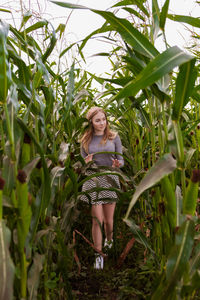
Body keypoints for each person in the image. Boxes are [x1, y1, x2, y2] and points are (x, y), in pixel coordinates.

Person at [80, 106, 124, 269]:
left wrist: (118, 164)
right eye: (97, 120)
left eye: (103, 119)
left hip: (110, 178)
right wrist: (87, 163)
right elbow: (83, 160)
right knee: (96, 220)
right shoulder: (85, 139)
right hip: (93, 179)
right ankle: (98, 254)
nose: (101, 123)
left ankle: (109, 240)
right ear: (91, 122)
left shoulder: (114, 137)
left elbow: (121, 160)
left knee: (108, 221)